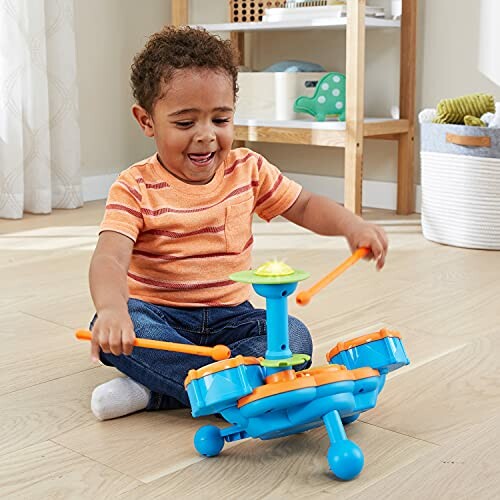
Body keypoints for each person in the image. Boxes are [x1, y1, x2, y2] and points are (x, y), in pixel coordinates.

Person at [88, 26, 388, 421]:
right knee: (122, 335)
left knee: (295, 337)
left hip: (233, 318)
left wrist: (352, 225)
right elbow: (109, 259)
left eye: (221, 118)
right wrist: (112, 310)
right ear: (146, 121)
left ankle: (161, 390)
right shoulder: (134, 186)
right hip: (161, 315)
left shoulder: (249, 169)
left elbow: (304, 204)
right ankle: (245, 390)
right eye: (185, 123)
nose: (206, 136)